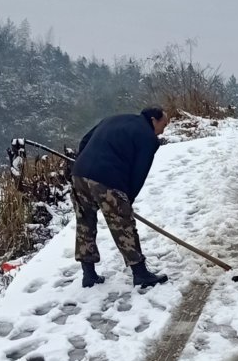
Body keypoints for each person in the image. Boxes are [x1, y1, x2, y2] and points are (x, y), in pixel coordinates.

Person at [71, 106, 171, 288]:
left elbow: (85, 141)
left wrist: (84, 165)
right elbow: (138, 174)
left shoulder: (113, 119)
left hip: (79, 173)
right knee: (123, 225)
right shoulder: (148, 138)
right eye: (163, 125)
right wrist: (127, 201)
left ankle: (89, 274)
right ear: (153, 120)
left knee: (84, 222)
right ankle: (140, 273)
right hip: (108, 178)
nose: (163, 131)